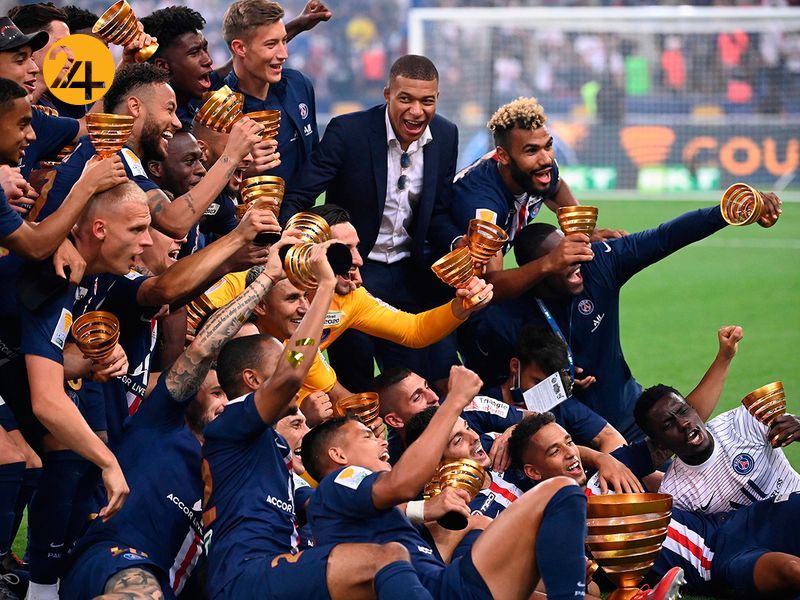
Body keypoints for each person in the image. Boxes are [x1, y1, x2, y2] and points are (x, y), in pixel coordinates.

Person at [59, 237, 290, 600]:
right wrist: (266, 280)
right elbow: (203, 349)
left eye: (232, 400)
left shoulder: (232, 471)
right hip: (112, 560)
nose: (225, 404)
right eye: (217, 393)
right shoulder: (161, 424)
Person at [203, 240, 433, 600]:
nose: (294, 371)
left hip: (276, 569)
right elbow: (294, 371)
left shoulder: (274, 448)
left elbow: (324, 503)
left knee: (378, 562)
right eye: (279, 364)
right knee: (385, 559)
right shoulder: (231, 424)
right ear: (252, 380)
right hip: (245, 573)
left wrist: (424, 509)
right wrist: (325, 285)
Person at [462, 201, 782, 441]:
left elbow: (666, 236)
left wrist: (727, 211)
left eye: (572, 251)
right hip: (566, 434)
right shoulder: (506, 315)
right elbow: (502, 394)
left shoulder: (599, 262)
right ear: (538, 269)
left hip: (629, 416)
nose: (576, 262)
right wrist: (556, 388)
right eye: (562, 260)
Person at [301, 365, 595, 600]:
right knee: (559, 490)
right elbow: (400, 486)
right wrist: (455, 400)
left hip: (450, 584)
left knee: (556, 501)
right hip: (442, 590)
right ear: (338, 455)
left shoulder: (370, 509)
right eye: (367, 436)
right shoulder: (339, 481)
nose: (381, 441)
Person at [196, 204, 492, 418]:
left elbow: (414, 331)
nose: (358, 260)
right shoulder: (246, 282)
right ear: (308, 254)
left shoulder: (348, 298)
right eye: (344, 251)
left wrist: (461, 306)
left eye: (356, 248)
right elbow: (190, 332)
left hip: (290, 383)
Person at [280, 54, 462, 392]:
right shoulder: (348, 132)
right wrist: (303, 253)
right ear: (387, 95)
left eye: (427, 101)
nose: (416, 111)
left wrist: (458, 244)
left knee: (414, 385)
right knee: (356, 385)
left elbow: (437, 212)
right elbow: (298, 198)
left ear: (437, 99)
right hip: (355, 274)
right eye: (405, 99)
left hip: (410, 274)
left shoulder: (446, 134)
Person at [510, 412, 800, 598]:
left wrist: (602, 457)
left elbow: (676, 427)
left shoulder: (610, 471)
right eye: (555, 451)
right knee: (790, 570)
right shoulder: (559, 530)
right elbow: (588, 590)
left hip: (739, 522)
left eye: (569, 442)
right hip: (719, 564)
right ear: (533, 471)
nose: (571, 454)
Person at [38, 63, 266, 242]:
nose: (177, 122)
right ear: (135, 107)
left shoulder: (117, 153)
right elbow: (174, 222)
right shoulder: (110, 152)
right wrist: (231, 155)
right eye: (169, 109)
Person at [447, 96, 623, 303]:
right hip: (437, 294)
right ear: (503, 156)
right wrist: (549, 263)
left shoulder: (537, 169)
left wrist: (585, 232)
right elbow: (488, 288)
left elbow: (556, 187)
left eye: (547, 146)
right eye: (531, 150)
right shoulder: (483, 207)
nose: (546, 159)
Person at [636, 384, 800, 513]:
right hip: (765, 544)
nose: (683, 423)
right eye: (668, 425)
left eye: (683, 411)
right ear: (660, 444)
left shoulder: (745, 421)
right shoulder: (678, 494)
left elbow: (791, 427)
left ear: (694, 410)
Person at [479, 323, 625, 452]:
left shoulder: (557, 401)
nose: (543, 394)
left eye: (549, 385)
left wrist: (602, 466)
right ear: (515, 366)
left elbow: (611, 437)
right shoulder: (482, 405)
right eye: (537, 382)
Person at [220, 0, 319, 188]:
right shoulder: (217, 108)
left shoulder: (299, 85)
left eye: (284, 41)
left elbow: (314, 160)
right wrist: (238, 171)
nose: (284, 54)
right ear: (240, 48)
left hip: (300, 206)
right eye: (271, 44)